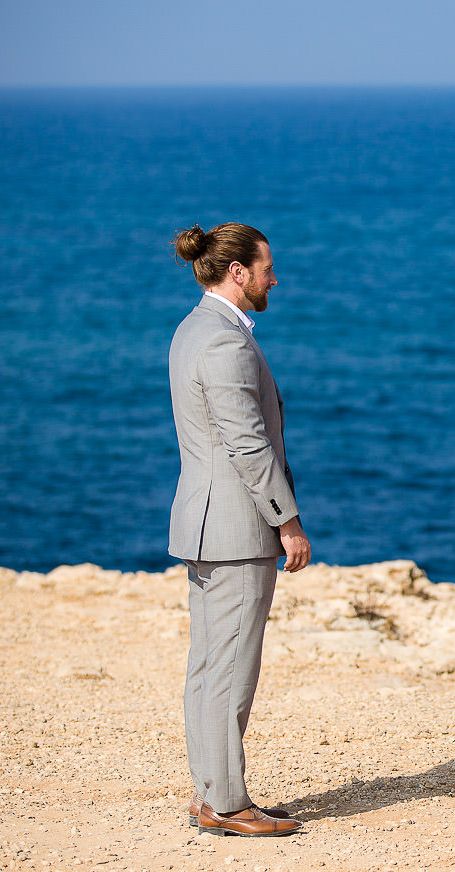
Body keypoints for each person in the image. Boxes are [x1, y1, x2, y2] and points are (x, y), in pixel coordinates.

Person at [168, 223, 311, 837]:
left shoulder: (191, 329)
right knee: (231, 667)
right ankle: (226, 804)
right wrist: (288, 522)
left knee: (209, 665)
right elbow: (248, 445)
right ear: (238, 273)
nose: (274, 278)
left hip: (204, 525)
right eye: (267, 267)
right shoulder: (226, 343)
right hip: (234, 530)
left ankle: (213, 792)